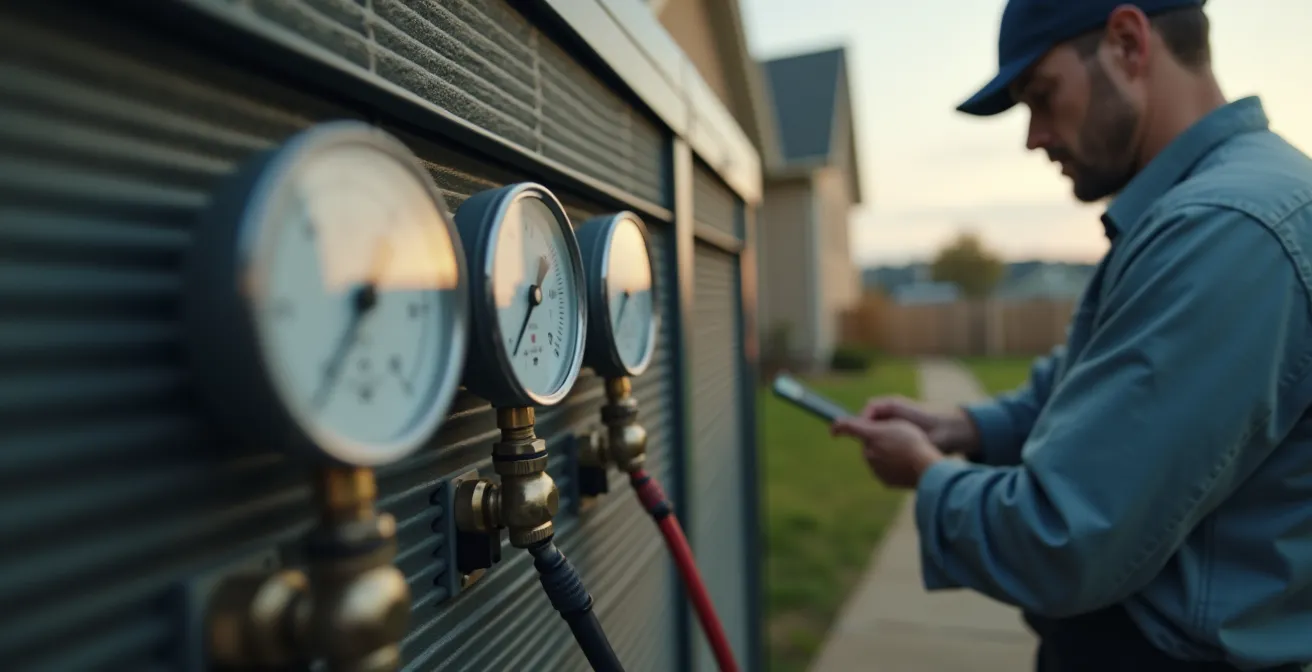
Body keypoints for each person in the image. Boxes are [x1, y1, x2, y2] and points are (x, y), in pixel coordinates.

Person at [829, 1, 1312, 671]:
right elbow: (1086, 386)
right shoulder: (1201, 208)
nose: (1034, 137)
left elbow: (1062, 537)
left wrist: (927, 475)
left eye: (1042, 96)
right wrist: (963, 427)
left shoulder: (1224, 231)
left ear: (1127, 43)